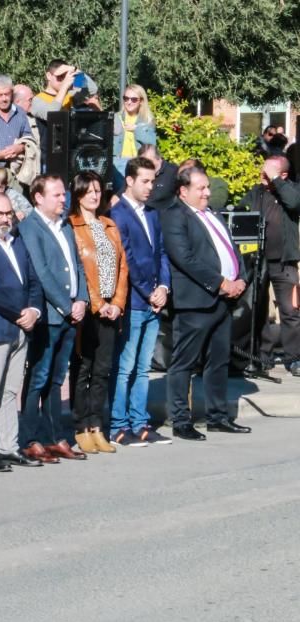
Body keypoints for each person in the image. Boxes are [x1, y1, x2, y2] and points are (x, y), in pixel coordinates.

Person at [162, 167, 250, 440]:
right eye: (201, 188)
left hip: (223, 302)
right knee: (184, 364)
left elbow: (232, 249)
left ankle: (217, 416)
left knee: (218, 361)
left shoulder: (213, 215)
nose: (207, 193)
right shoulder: (175, 216)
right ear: (183, 191)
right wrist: (222, 282)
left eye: (207, 187)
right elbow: (184, 258)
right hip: (196, 303)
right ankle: (180, 419)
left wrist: (241, 278)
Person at [0, 192, 49, 470]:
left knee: (10, 391)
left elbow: (34, 281)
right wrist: (19, 314)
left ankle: (9, 446)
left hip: (22, 327)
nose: (5, 219)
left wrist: (34, 311)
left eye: (8, 213)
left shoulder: (17, 242)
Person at [17, 174, 89, 461]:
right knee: (38, 378)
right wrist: (65, 305)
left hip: (71, 314)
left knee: (57, 379)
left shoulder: (65, 225)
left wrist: (82, 298)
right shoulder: (30, 227)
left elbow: (78, 266)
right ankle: (30, 437)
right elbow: (41, 272)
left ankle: (54, 436)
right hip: (49, 315)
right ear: (38, 197)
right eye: (57, 195)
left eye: (64, 195)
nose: (63, 200)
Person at [109, 157, 172, 447]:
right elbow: (127, 258)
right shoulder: (118, 214)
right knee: (126, 367)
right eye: (145, 181)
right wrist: (148, 291)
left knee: (143, 366)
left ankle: (139, 420)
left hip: (153, 300)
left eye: (153, 181)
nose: (151, 187)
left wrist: (164, 288)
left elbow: (161, 252)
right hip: (134, 300)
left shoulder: (152, 213)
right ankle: (118, 424)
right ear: (130, 180)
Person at [68, 171, 128, 454]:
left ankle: (96, 425)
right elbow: (80, 271)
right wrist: (97, 303)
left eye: (97, 190)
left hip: (110, 307)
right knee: (83, 369)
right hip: (88, 308)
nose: (94, 195)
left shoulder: (109, 225)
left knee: (103, 370)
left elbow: (122, 267)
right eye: (88, 190)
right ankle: (80, 426)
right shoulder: (72, 226)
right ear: (78, 193)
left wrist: (116, 302)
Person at [238, 156, 300, 374]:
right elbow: (241, 211)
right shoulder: (258, 191)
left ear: (282, 175)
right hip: (258, 261)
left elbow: (294, 203)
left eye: (269, 172)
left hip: (285, 262)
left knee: (290, 310)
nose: (262, 175)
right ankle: (262, 357)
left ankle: (294, 358)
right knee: (260, 309)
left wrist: (275, 178)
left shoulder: (292, 190)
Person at [113, 85, 156, 173]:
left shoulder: (147, 120)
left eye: (134, 99)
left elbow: (152, 143)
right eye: (126, 98)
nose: (129, 102)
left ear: (141, 101)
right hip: (118, 163)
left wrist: (136, 129)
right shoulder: (116, 118)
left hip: (139, 163)